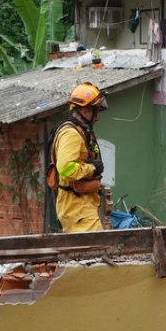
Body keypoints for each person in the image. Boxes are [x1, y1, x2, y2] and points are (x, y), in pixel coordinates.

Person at [52, 82, 107, 232]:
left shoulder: (82, 132)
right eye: (96, 111)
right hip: (77, 209)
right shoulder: (71, 134)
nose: (97, 117)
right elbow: (65, 168)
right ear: (85, 110)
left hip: (82, 207)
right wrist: (92, 169)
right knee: (95, 250)